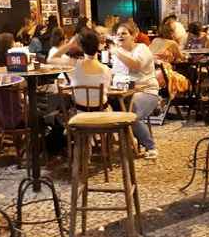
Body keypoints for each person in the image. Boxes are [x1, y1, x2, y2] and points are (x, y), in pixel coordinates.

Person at [110, 21, 160, 159]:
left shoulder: (142, 48)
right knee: (104, 106)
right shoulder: (118, 53)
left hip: (146, 92)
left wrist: (116, 52)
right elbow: (116, 74)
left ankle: (150, 147)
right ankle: (113, 144)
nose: (120, 36)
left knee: (131, 112)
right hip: (123, 92)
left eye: (124, 33)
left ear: (133, 35)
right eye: (118, 34)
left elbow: (136, 65)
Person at [49, 28, 112, 109]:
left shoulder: (74, 65)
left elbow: (50, 59)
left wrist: (70, 44)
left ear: (81, 47)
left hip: (80, 115)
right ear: (98, 46)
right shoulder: (106, 69)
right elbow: (108, 91)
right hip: (103, 115)